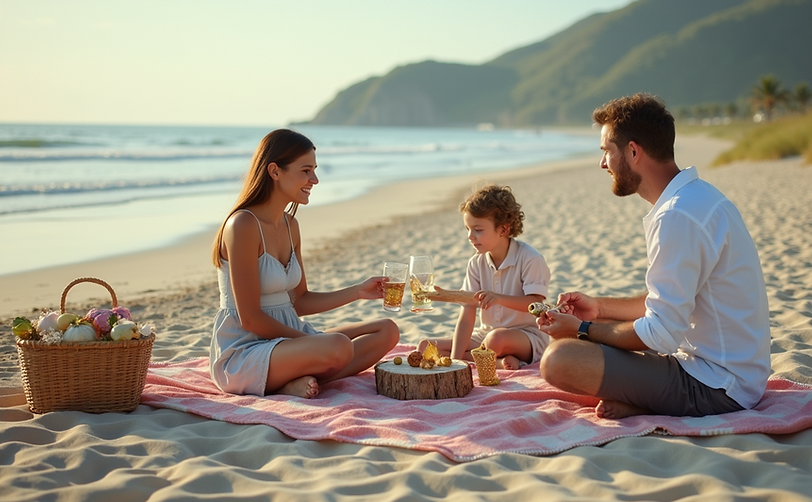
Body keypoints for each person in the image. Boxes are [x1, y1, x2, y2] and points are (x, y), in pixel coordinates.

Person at [537, 94, 771, 419]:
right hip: (729, 373)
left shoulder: (678, 215)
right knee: (600, 324)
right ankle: (640, 399)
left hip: (718, 386)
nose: (602, 163)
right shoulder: (695, 197)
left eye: (606, 151)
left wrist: (582, 329)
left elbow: (660, 335)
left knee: (559, 358)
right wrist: (599, 309)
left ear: (633, 151)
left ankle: (645, 403)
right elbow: (669, 301)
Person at [209, 129, 399, 399]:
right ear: (274, 171)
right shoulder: (242, 225)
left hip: (290, 339)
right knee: (338, 347)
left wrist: (358, 291)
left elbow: (300, 301)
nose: (315, 179)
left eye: (314, 170)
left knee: (387, 330)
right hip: (245, 350)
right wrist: (309, 341)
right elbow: (250, 318)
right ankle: (285, 383)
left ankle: (291, 378)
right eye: (306, 171)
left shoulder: (290, 225)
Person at [418, 184, 551, 370]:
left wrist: (498, 299)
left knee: (495, 339)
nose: (470, 236)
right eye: (468, 229)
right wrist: (455, 362)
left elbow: (536, 305)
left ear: (503, 229)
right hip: (485, 335)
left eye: (478, 230)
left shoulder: (530, 258)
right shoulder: (475, 263)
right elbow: (467, 316)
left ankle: (492, 358)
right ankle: (497, 362)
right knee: (426, 346)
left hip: (526, 336)